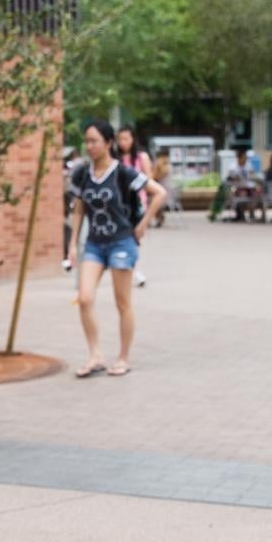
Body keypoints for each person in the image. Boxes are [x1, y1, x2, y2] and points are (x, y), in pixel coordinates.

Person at [66, 120, 166, 378]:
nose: (89, 146)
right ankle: (95, 355)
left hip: (122, 241)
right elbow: (79, 209)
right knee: (85, 298)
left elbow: (159, 193)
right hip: (95, 244)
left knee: (122, 303)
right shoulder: (81, 174)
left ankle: (123, 357)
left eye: (94, 141)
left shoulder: (123, 173)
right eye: (86, 141)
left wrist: (143, 225)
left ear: (108, 143)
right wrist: (72, 243)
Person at [116, 126, 151, 286]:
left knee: (135, 236)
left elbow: (149, 182)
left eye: (126, 139)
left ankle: (132, 268)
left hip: (138, 203)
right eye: (120, 139)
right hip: (120, 204)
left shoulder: (141, 157)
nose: (123, 143)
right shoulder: (115, 159)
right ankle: (133, 270)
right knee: (128, 236)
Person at [226, 147, 260, 222]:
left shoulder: (248, 165)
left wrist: (253, 178)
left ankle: (252, 212)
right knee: (242, 194)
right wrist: (235, 179)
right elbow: (229, 179)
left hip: (249, 187)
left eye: (246, 158)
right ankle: (241, 213)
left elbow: (253, 175)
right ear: (239, 158)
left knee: (257, 193)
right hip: (238, 188)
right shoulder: (233, 167)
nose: (246, 159)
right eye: (244, 157)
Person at [150, 148, 172, 228]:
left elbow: (153, 177)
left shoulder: (161, 165)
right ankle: (159, 216)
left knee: (147, 199)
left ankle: (156, 217)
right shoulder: (168, 164)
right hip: (168, 192)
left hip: (163, 194)